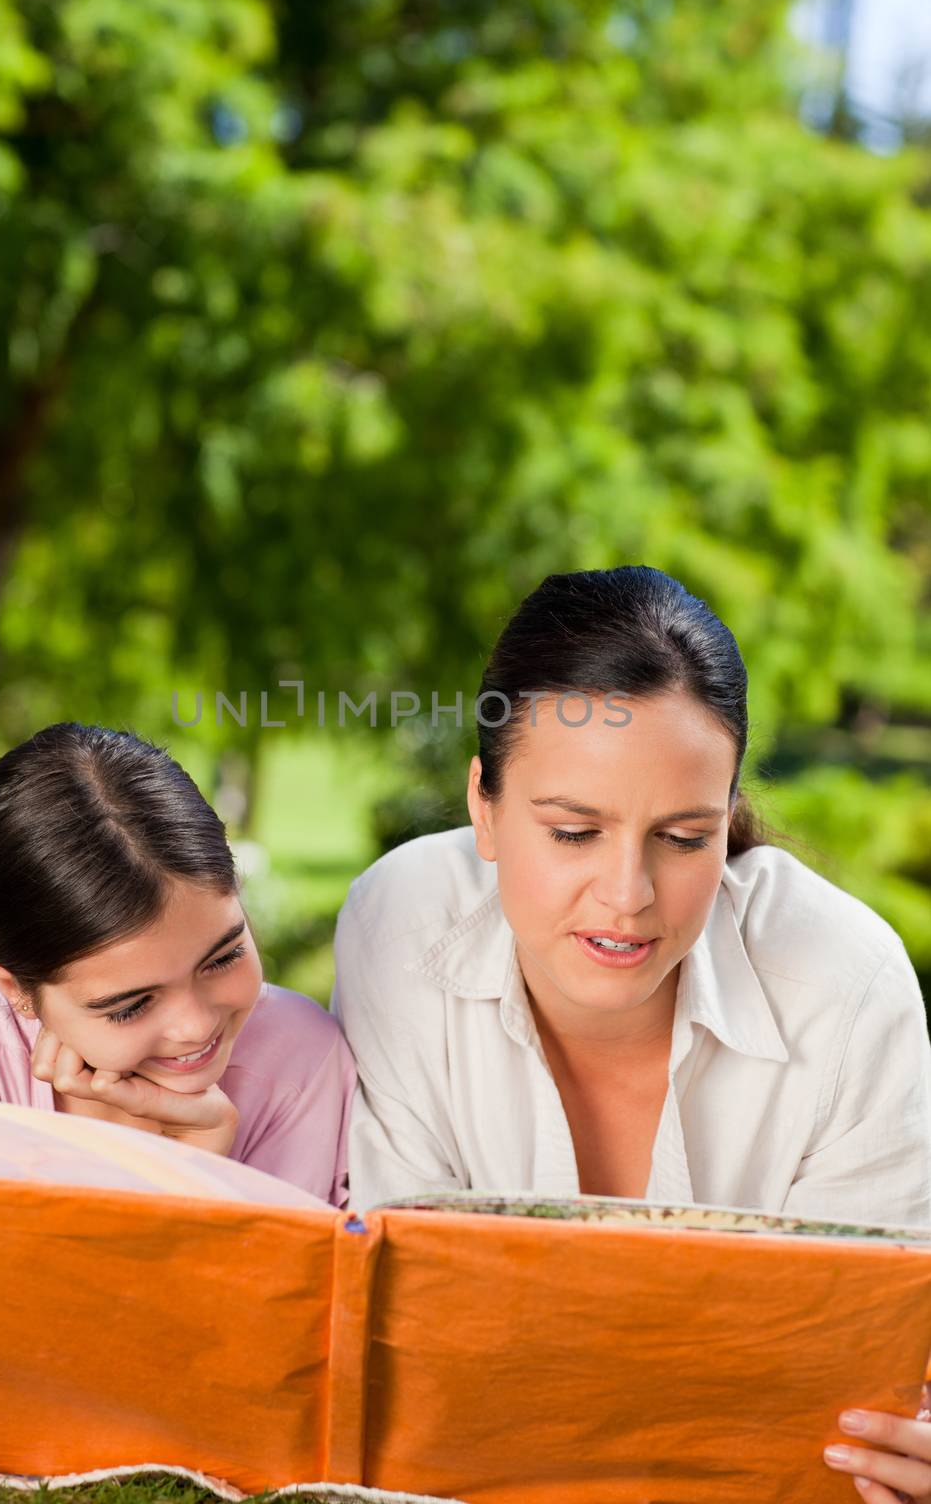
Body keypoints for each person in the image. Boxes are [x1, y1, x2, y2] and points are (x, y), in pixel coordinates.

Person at [329, 565, 931, 1498]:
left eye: (685, 838)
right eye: (573, 832)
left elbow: (849, 1391)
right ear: (482, 807)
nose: (628, 895)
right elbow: (413, 1339)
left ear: (727, 819)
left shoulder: (846, 988)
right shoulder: (400, 928)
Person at [0, 721, 354, 1208]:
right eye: (130, 1006)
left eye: (224, 957)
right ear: (16, 991)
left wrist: (202, 1172)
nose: (195, 1025)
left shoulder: (301, 1060)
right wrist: (180, 1174)